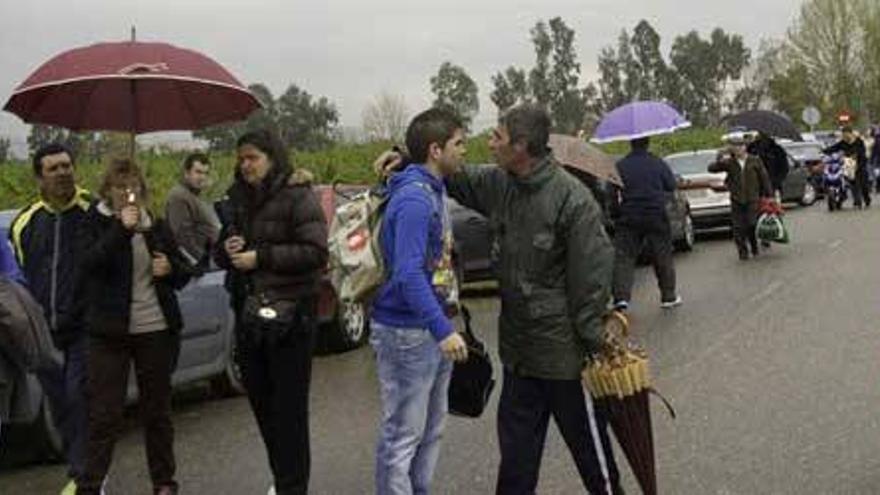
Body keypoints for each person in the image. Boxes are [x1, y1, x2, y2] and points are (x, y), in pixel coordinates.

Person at [378, 104, 622, 494]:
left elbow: (591, 283)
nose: (488, 144)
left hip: (566, 361)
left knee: (596, 465)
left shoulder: (572, 201)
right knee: (516, 467)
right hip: (519, 358)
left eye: (498, 137)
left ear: (522, 146)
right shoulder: (499, 184)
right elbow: (452, 174)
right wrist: (410, 156)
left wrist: (595, 345)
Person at [214, 129, 328, 495]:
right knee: (263, 406)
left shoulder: (298, 197)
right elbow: (222, 256)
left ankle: (292, 486)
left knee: (289, 410)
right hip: (249, 315)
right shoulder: (235, 200)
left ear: (272, 158)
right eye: (241, 158)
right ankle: (282, 478)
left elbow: (315, 253)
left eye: (253, 158)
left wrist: (260, 257)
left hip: (291, 316)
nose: (245, 165)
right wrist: (227, 248)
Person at [369, 108, 469, 495]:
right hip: (408, 333)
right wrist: (442, 329)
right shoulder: (414, 198)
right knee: (403, 436)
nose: (464, 150)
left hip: (428, 327)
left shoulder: (432, 188)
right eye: (458, 143)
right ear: (435, 149)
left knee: (430, 432)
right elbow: (408, 272)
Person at [76, 159, 189, 495]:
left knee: (157, 412)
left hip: (154, 328)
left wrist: (170, 268)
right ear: (107, 191)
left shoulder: (154, 224)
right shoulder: (93, 222)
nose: (128, 193)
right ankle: (91, 485)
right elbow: (88, 265)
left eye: (134, 187)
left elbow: (184, 272)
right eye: (120, 187)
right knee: (104, 414)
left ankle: (164, 483)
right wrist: (119, 230)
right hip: (109, 333)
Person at [9, 143, 91, 494]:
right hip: (43, 330)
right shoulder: (24, 223)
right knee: (59, 405)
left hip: (87, 327)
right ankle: (83, 468)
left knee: (78, 397)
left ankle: (83, 476)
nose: (63, 173)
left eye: (67, 165)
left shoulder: (93, 211)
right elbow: (18, 278)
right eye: (54, 168)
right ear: (39, 177)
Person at [611, 136, 681, 311]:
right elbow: (671, 185)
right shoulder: (657, 163)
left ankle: (621, 298)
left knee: (624, 258)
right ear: (648, 142)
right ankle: (668, 296)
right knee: (662, 254)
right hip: (655, 214)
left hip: (629, 216)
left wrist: (616, 213)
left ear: (630, 143)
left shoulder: (621, 165)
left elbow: (610, 191)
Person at [709, 133, 772, 260]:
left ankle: (754, 246)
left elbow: (764, 178)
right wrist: (720, 156)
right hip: (737, 199)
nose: (738, 149)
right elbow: (712, 168)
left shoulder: (755, 160)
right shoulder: (729, 162)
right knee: (738, 227)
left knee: (751, 224)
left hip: (752, 199)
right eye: (735, 146)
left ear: (745, 147)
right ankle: (742, 252)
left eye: (740, 146)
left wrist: (769, 195)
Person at [165, 153, 221, 272]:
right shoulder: (179, 196)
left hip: (210, 259)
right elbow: (182, 236)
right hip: (197, 266)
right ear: (186, 173)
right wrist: (202, 262)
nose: (202, 177)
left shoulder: (194, 196)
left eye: (206, 173)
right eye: (198, 172)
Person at [823, 126, 870, 209]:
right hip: (849, 165)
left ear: (851, 133)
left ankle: (867, 199)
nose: (845, 136)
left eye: (846, 134)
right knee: (854, 183)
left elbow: (862, 153)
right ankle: (857, 202)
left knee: (864, 186)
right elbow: (834, 148)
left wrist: (857, 158)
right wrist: (824, 151)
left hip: (860, 164)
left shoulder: (859, 142)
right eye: (843, 134)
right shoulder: (843, 142)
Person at [748, 132, 789, 202]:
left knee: (773, 208)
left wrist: (777, 181)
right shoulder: (752, 148)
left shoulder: (777, 150)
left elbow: (784, 167)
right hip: (755, 187)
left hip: (773, 184)